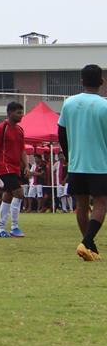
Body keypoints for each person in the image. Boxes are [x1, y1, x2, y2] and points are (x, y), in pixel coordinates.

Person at [58, 64, 107, 261]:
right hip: (100, 164)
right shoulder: (104, 106)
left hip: (77, 164)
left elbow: (61, 133)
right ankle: (87, 242)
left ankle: (90, 246)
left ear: (81, 82)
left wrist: (69, 158)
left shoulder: (69, 103)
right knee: (102, 203)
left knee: (81, 204)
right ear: (102, 82)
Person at [0, 102, 27, 238]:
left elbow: (22, 150)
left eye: (21, 112)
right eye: (18, 112)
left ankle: (0, 229)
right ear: (9, 113)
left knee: (8, 194)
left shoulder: (20, 130)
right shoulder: (1, 128)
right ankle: (14, 227)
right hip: (4, 166)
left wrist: (26, 166)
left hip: (15, 167)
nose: (21, 115)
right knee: (19, 193)